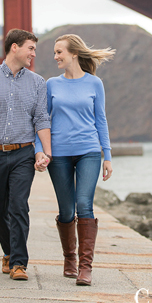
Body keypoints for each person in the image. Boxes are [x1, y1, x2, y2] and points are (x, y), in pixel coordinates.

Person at [0, 29, 52, 282]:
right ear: (14, 47)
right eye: (30, 48)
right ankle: (8, 252)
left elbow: (41, 119)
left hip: (23, 154)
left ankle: (18, 263)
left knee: (18, 206)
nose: (33, 54)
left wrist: (45, 153)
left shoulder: (38, 82)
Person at [34, 33, 114, 286]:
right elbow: (42, 120)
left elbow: (100, 119)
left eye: (59, 52)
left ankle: (85, 267)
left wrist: (107, 155)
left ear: (74, 54)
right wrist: (41, 150)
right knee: (67, 210)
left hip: (89, 151)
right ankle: (69, 258)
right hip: (59, 154)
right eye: (55, 52)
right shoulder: (51, 84)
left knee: (84, 205)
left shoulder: (94, 83)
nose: (55, 56)